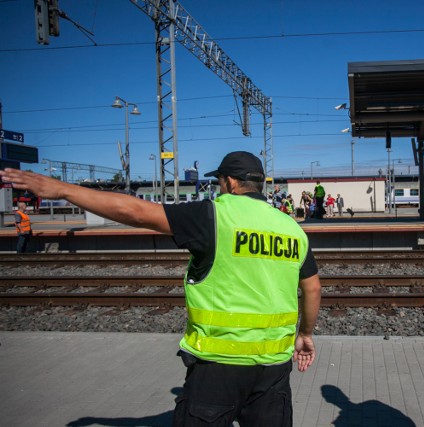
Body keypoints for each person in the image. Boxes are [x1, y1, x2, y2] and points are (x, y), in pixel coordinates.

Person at [0, 151, 322, 427]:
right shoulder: (291, 228)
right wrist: (304, 334)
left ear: (230, 183)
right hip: (274, 370)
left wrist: (63, 189)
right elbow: (312, 289)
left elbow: (135, 211)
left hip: (217, 367)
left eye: (219, 182)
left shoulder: (214, 215)